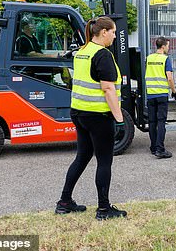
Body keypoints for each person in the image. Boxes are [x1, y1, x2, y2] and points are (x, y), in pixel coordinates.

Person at [55, 16, 127, 220]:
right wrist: (119, 119)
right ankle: (104, 209)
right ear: (103, 32)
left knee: (82, 157)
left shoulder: (82, 52)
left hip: (78, 112)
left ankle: (64, 202)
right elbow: (107, 88)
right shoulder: (102, 54)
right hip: (98, 115)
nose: (114, 35)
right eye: (113, 32)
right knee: (104, 162)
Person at [145, 36, 176, 159]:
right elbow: (169, 77)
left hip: (151, 95)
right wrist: (173, 91)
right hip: (162, 95)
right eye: (168, 46)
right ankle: (160, 149)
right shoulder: (165, 59)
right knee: (161, 122)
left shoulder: (149, 58)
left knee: (152, 122)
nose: (168, 48)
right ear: (163, 46)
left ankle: (153, 147)